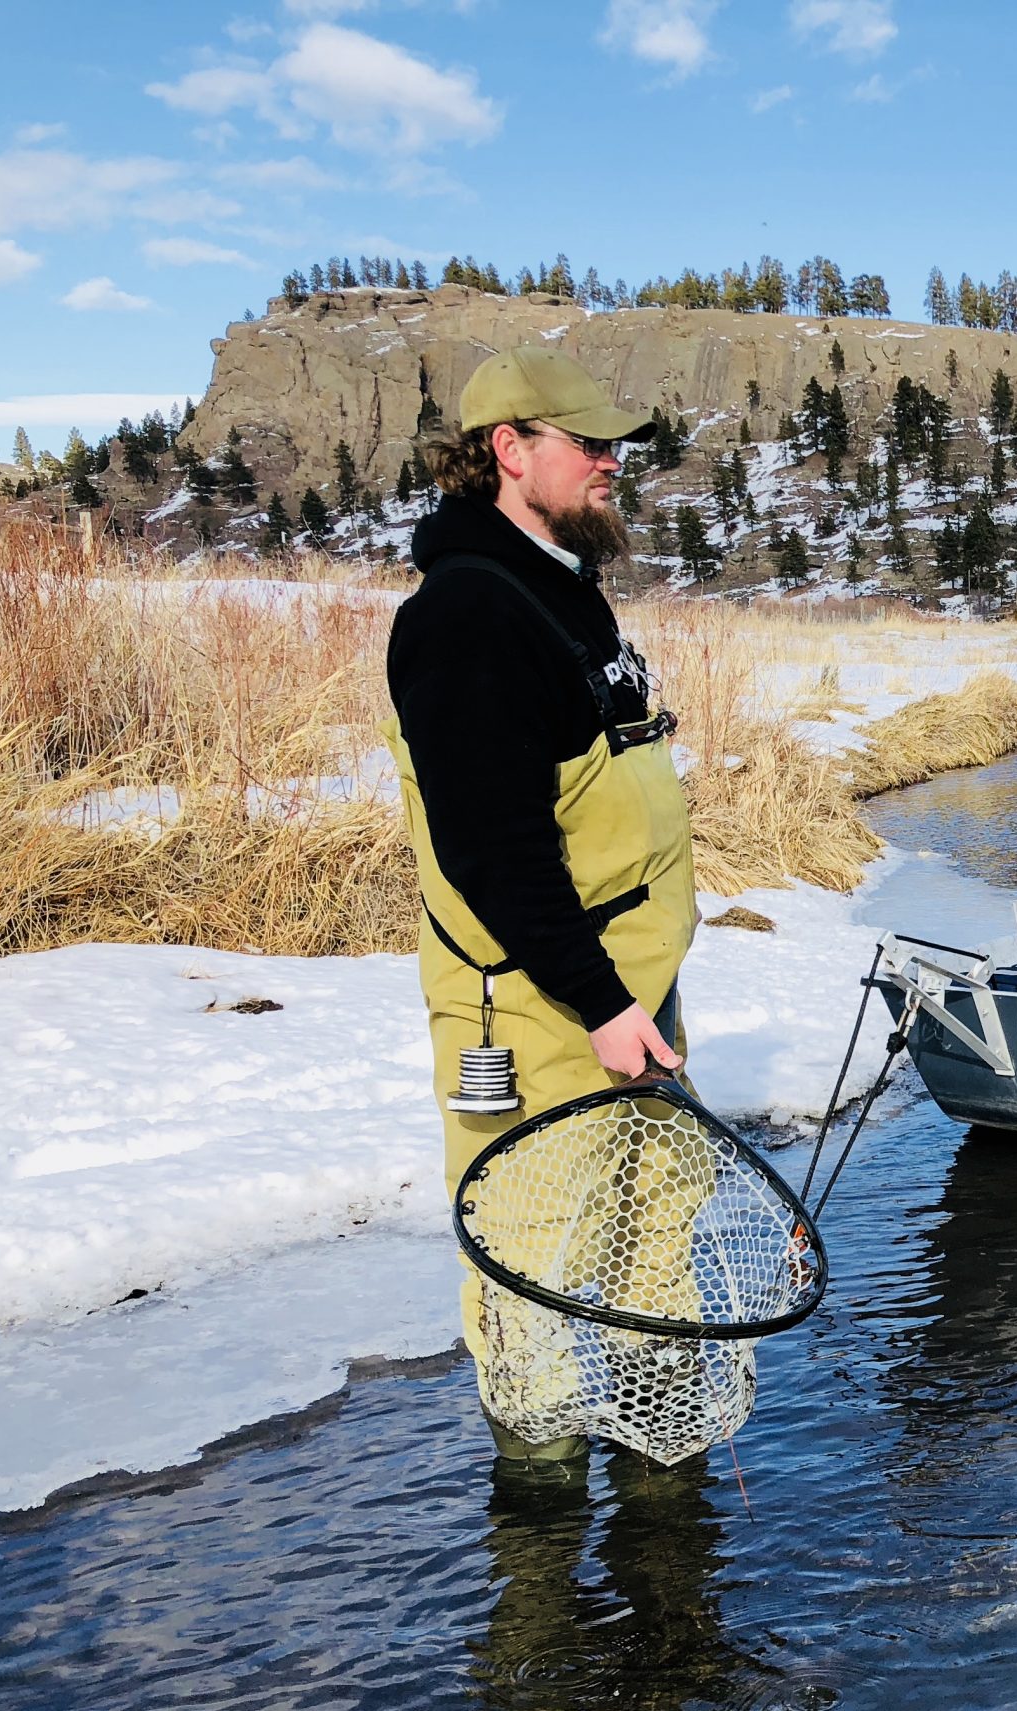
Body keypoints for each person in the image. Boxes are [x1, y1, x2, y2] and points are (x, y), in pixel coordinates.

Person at [383, 344, 693, 1476]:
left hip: (622, 997)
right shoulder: (468, 614)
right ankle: (541, 1542)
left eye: (614, 443)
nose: (613, 462)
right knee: (533, 1265)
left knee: (655, 1233)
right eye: (588, 442)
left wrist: (632, 997)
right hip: (537, 1010)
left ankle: (669, 1482)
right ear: (508, 451)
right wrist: (603, 1002)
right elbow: (493, 852)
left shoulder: (557, 587)